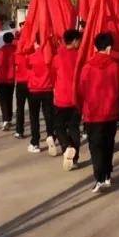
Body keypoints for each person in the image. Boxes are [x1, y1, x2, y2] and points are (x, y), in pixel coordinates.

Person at [78, 32, 119, 192]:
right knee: (108, 144)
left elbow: (82, 89)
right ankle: (107, 174)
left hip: (92, 113)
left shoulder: (87, 67)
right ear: (109, 48)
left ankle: (99, 177)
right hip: (110, 112)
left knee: (95, 146)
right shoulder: (115, 66)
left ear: (95, 47)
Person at [52, 29, 83, 170]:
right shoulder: (80, 57)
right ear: (75, 40)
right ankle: (74, 158)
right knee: (74, 128)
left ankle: (66, 146)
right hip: (76, 98)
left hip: (61, 98)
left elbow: (53, 75)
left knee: (59, 127)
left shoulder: (57, 56)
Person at [26, 41, 55, 154]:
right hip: (48, 89)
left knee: (34, 117)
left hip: (34, 90)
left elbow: (26, 66)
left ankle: (35, 142)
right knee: (49, 115)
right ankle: (50, 135)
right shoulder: (50, 56)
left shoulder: (31, 57)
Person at [0, 32, 17, 131]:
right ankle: (9, 118)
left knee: (2, 99)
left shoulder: (0, 51)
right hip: (11, 78)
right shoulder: (16, 50)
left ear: (3, 40)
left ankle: (5, 119)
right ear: (12, 39)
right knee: (9, 98)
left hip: (1, 78)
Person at [14, 35, 30, 140]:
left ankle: (19, 131)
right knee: (33, 111)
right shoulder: (31, 54)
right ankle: (36, 132)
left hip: (20, 84)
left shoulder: (16, 55)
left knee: (20, 109)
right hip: (31, 84)